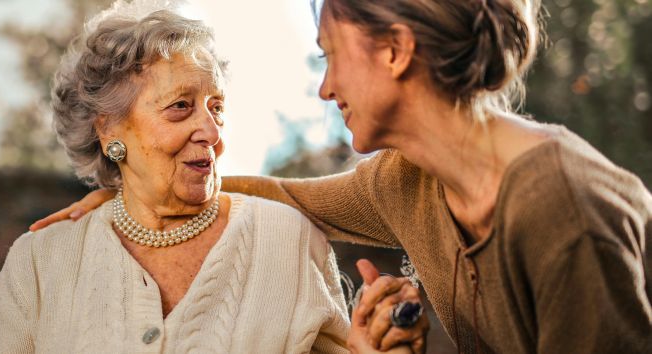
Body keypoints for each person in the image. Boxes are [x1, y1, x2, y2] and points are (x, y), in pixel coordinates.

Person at [32, 0, 652, 353]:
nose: (325, 87)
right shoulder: (405, 181)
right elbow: (279, 194)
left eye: (330, 55)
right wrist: (133, 193)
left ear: (395, 50)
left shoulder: (563, 208)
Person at [0, 2, 426, 353]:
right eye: (181, 106)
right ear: (109, 129)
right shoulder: (39, 262)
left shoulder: (288, 240)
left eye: (217, 107)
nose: (212, 133)